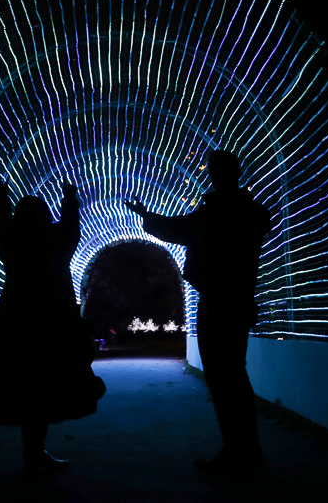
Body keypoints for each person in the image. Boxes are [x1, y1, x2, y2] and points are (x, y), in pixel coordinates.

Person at [124, 150, 274, 480]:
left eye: (212, 169)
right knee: (236, 372)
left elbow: (175, 228)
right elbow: (261, 224)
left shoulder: (213, 212)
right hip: (240, 300)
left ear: (216, 174)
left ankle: (235, 450)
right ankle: (249, 448)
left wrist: (145, 215)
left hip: (217, 300)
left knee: (222, 377)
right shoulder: (251, 212)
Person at [0, 180, 106, 474]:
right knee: (47, 384)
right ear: (46, 216)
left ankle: (33, 452)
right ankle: (35, 452)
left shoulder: (13, 244)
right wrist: (69, 197)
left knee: (21, 383)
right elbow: (71, 227)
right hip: (53, 319)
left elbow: (1, 226)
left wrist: (1, 202)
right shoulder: (56, 242)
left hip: (16, 319)